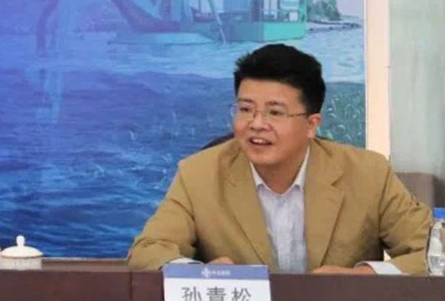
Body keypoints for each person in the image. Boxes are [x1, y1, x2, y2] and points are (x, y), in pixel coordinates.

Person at [128, 44, 432, 274]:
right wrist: (202, 274)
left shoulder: (368, 174)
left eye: (275, 112)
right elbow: (148, 251)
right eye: (245, 109)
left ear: (312, 124)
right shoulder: (198, 175)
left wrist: (363, 277)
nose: (256, 124)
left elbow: (434, 253)